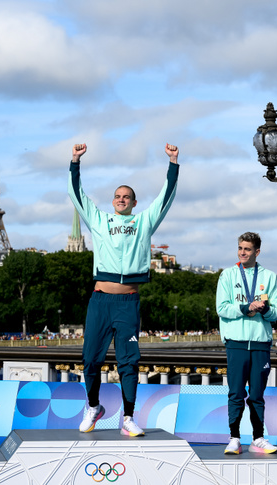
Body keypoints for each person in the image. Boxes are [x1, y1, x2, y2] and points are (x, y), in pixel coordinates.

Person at [68, 142, 179, 437]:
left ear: (134, 202)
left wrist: (173, 164)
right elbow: (77, 196)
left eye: (126, 196)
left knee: (129, 362)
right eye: (117, 196)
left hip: (128, 302)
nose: (121, 199)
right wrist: (75, 162)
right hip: (100, 301)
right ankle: (93, 406)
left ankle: (128, 417)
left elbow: (164, 199)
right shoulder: (99, 220)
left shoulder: (144, 222)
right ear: (113, 201)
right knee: (90, 359)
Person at [216, 232, 277, 454]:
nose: (242, 252)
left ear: (257, 252)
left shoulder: (270, 277)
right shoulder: (227, 275)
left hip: (260, 343)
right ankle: (234, 438)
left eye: (247, 249)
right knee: (235, 392)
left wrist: (265, 309)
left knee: (257, 395)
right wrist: (245, 308)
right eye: (240, 248)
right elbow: (222, 308)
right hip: (236, 341)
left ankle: (258, 438)